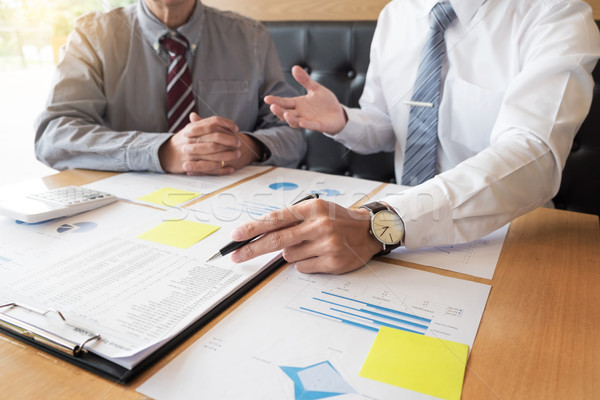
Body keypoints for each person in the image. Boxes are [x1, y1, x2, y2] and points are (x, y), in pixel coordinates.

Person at [229, 0, 600, 274]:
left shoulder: (555, 14)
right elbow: (385, 127)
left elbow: (533, 154)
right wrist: (342, 120)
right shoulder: (395, 15)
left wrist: (384, 224)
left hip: (509, 236)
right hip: (393, 233)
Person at [34, 0, 305, 175]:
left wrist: (248, 146)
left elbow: (293, 135)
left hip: (227, 202)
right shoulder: (93, 35)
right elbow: (53, 137)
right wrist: (161, 151)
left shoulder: (250, 37)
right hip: (124, 208)